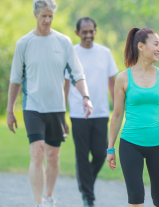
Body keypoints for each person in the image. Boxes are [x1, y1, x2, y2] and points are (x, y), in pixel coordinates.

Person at [7, 1, 92, 207]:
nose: (47, 20)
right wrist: (10, 110)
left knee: (53, 156)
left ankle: (48, 197)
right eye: (43, 16)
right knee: (37, 151)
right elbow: (16, 79)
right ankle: (38, 203)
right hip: (33, 107)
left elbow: (77, 74)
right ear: (35, 14)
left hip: (56, 108)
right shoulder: (24, 43)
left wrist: (85, 96)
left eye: (50, 16)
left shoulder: (63, 42)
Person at [106, 27, 159, 207]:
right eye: (155, 44)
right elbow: (116, 115)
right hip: (131, 143)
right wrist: (110, 148)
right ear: (141, 46)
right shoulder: (123, 78)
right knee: (136, 196)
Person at [64, 17, 119, 207]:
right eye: (84, 32)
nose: (88, 35)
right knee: (81, 155)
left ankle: (86, 184)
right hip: (78, 114)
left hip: (101, 112)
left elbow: (113, 83)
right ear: (77, 33)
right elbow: (66, 84)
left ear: (96, 31)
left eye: (91, 31)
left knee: (100, 154)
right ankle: (88, 196)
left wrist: (117, 108)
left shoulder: (105, 52)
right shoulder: (71, 53)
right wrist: (63, 113)